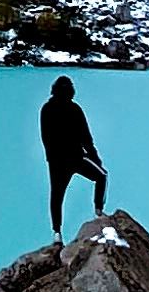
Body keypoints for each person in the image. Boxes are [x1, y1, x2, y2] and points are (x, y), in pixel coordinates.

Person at [40, 74, 106, 238]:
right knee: (102, 176)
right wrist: (94, 157)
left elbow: (46, 138)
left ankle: (57, 234)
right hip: (76, 157)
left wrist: (51, 157)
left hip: (56, 161)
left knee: (57, 195)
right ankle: (98, 212)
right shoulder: (74, 108)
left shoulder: (46, 109)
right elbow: (86, 137)